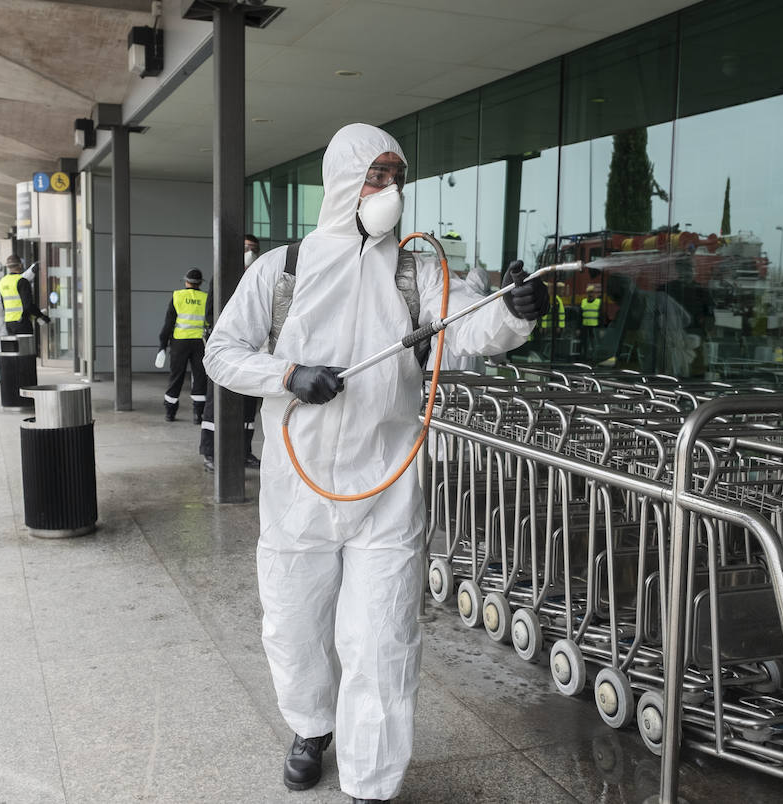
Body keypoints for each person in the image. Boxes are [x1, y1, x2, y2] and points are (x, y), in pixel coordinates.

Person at [204, 123, 547, 803]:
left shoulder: (415, 270)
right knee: (292, 626)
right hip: (297, 492)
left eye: (396, 177)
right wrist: (290, 375)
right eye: (376, 176)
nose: (388, 190)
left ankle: (370, 782)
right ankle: (311, 727)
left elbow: (472, 327)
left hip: (386, 488)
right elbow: (222, 352)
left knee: (382, 638)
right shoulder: (283, 269)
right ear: (344, 182)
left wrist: (516, 310)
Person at [200, 236, 263, 471]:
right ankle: (210, 452)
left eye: (254, 249)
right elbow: (211, 313)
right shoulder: (225, 276)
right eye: (247, 248)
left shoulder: (259, 276)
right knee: (216, 403)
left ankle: (244, 451)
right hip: (227, 351)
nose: (251, 252)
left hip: (253, 353)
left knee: (248, 407)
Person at [159, 267, 208, 423]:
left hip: (179, 343)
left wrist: (162, 345)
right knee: (199, 377)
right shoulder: (206, 298)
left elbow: (168, 324)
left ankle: (170, 413)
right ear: (200, 283)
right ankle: (198, 415)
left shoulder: (177, 296)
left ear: (186, 281)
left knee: (176, 376)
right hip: (200, 343)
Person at [0, 254, 49, 336]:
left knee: (15, 348)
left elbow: (3, 304)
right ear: (20, 265)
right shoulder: (22, 281)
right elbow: (28, 305)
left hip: (9, 323)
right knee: (26, 347)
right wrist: (41, 316)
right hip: (22, 322)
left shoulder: (2, 282)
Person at [579, 282, 603, 354]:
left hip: (595, 327)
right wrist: (578, 328)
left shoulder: (598, 302)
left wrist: (601, 328)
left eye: (592, 292)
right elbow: (580, 316)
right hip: (585, 326)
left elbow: (601, 316)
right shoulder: (583, 302)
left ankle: (594, 355)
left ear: (595, 293)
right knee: (584, 342)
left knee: (594, 343)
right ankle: (585, 356)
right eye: (589, 292)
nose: (590, 294)